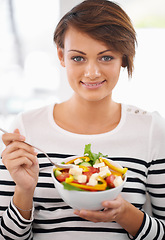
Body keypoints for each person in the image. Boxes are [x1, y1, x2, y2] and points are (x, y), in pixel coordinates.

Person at [0, 0, 165, 239]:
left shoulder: (152, 130)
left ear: (124, 58)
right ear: (61, 56)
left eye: (106, 57)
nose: (92, 72)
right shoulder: (25, 128)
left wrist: (126, 214)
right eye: (78, 58)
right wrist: (24, 191)